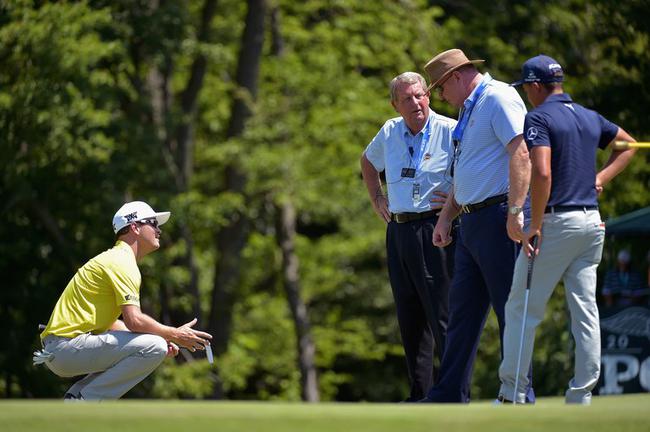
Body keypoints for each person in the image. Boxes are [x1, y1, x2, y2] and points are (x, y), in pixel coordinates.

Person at [497, 55, 637, 404]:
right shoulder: (588, 115)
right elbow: (628, 145)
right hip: (592, 223)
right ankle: (582, 394)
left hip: (558, 223)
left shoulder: (539, 116)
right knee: (585, 310)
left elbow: (541, 172)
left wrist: (535, 223)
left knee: (521, 307)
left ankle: (512, 392)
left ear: (534, 86)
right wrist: (600, 179)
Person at [419, 48, 534, 403]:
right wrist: (446, 216)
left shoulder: (498, 97)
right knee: (462, 314)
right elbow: (468, 170)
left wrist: (516, 212)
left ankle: (518, 392)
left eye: (440, 87)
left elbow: (522, 152)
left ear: (456, 76)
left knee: (509, 308)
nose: (440, 96)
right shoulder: (472, 108)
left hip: (500, 217)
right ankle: (449, 393)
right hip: (471, 223)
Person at [34, 201, 213, 400]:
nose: (158, 230)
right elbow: (134, 321)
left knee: (153, 344)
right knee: (154, 347)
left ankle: (76, 398)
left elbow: (112, 324)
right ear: (135, 227)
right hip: (65, 348)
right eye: (153, 223)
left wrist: (162, 336)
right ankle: (84, 401)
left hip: (61, 349)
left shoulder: (116, 258)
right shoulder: (122, 261)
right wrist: (172, 334)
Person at [360, 71, 456, 401]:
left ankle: (453, 390)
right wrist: (377, 198)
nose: (415, 102)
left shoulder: (450, 130)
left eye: (420, 95)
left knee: (441, 314)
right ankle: (421, 394)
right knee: (409, 315)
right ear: (395, 105)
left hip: (435, 228)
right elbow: (368, 162)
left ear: (428, 95)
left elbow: (473, 169)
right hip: (399, 229)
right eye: (407, 99)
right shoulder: (389, 130)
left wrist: (454, 202)